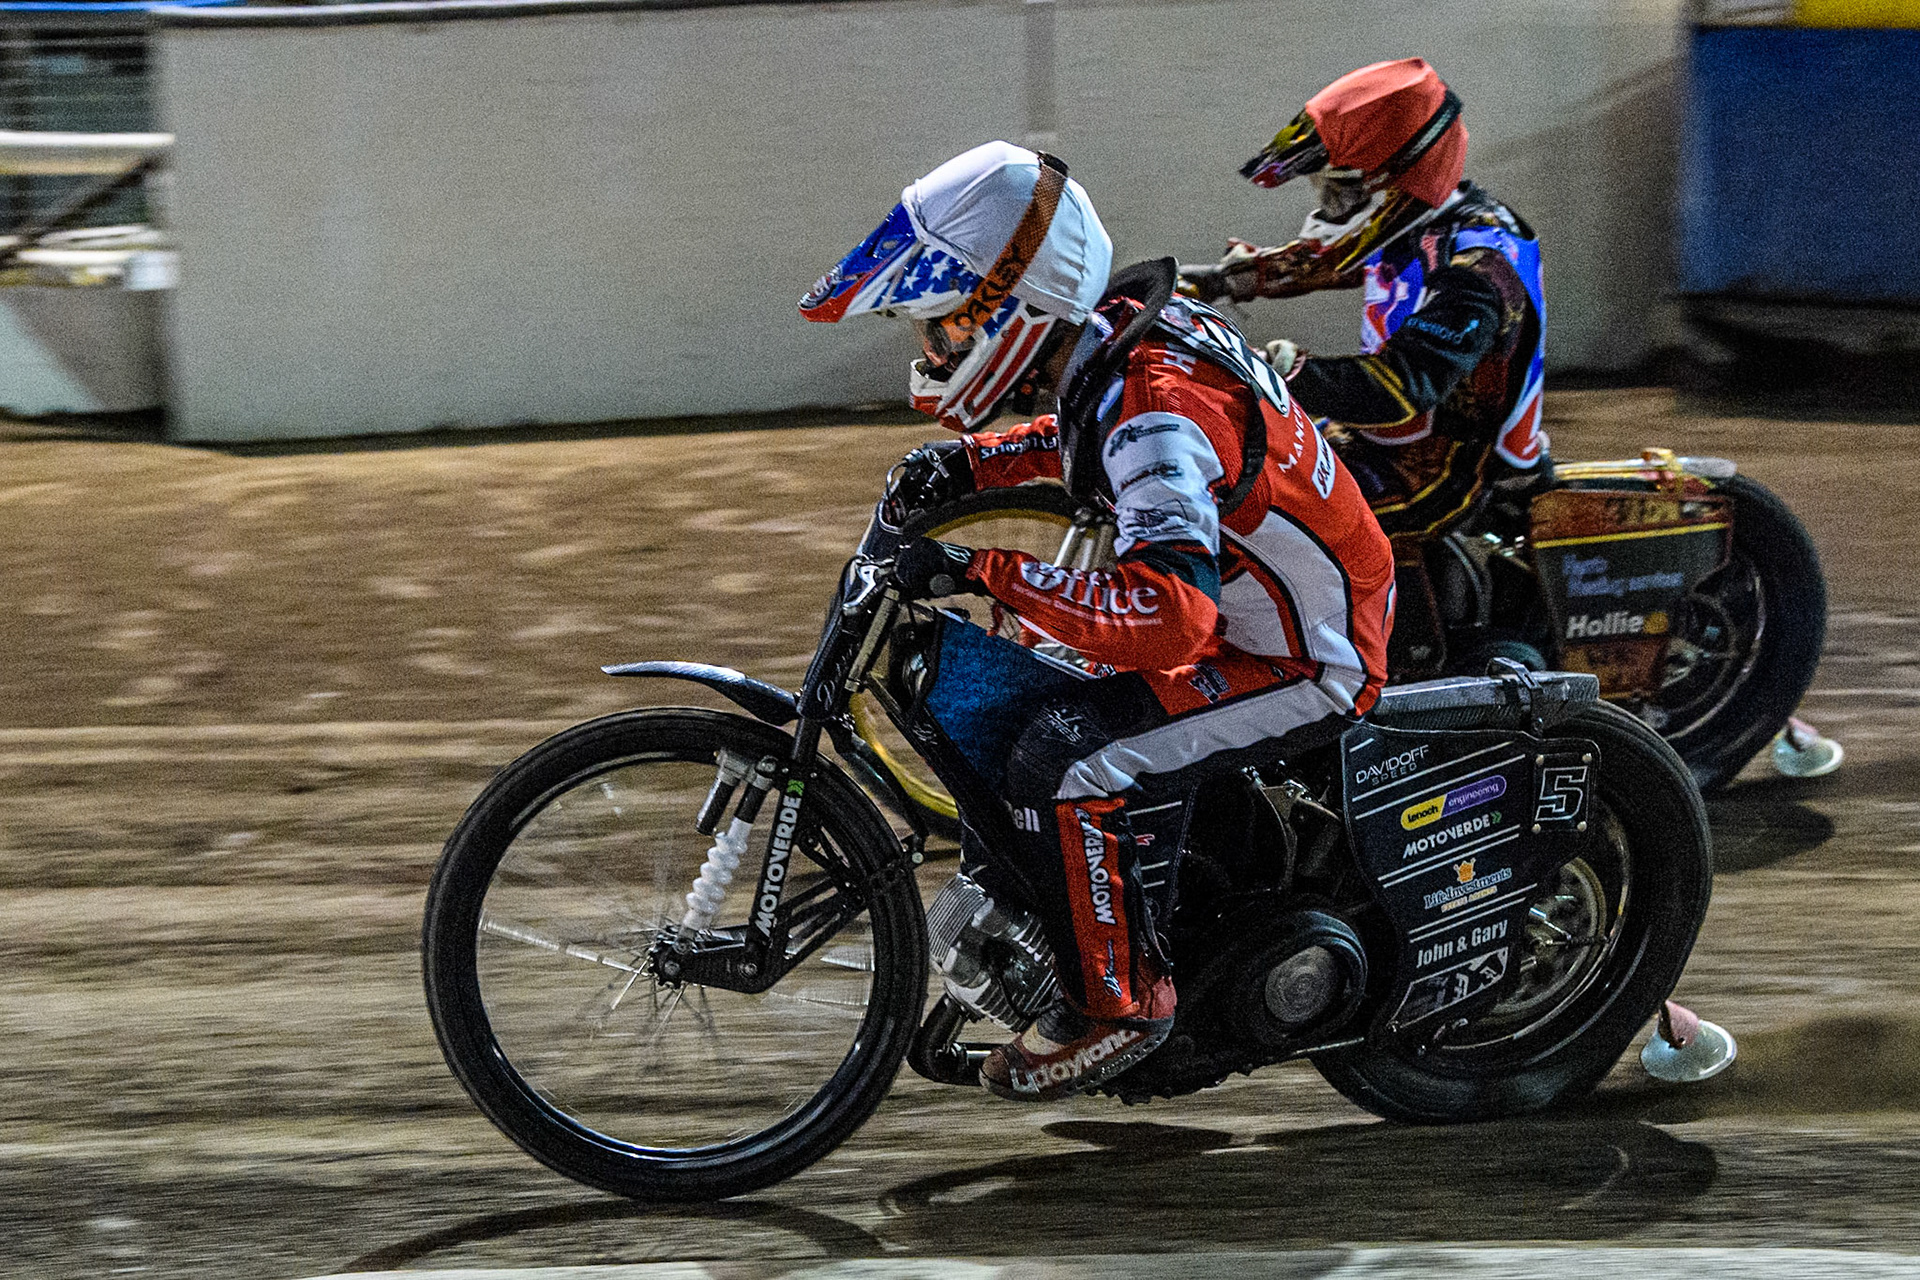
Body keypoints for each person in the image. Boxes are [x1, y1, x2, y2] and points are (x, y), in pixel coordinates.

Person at [801, 142, 1394, 1100]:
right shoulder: (1115, 341)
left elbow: (1170, 618)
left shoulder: (1155, 409)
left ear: (1019, 306)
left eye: (946, 328)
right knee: (1041, 682)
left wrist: (977, 567)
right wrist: (971, 468)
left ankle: (1125, 1007)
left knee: (1074, 758)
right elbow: (1081, 437)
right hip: (1263, 616)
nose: (934, 354)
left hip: (1305, 656)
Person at [1181, 58, 1548, 546]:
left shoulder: (1479, 269)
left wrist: (1275, 371)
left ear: (1394, 180)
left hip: (1448, 473)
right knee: (1231, 467)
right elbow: (1331, 260)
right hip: (1387, 440)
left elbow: (1403, 384)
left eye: (1340, 192)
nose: (1328, 208)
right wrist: (1217, 281)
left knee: (1245, 522)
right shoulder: (1421, 216)